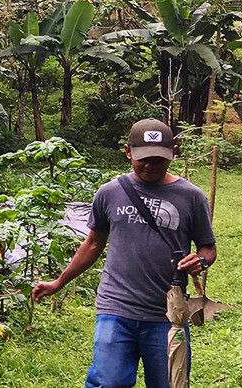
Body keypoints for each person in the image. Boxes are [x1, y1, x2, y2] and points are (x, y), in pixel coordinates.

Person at [32, 119, 216, 388]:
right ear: (128, 152)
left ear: (174, 153)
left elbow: (208, 248)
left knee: (170, 383)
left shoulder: (191, 196)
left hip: (167, 313)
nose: (150, 166)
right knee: (109, 382)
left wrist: (200, 260)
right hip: (116, 308)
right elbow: (94, 243)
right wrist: (59, 282)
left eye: (158, 159)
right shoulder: (110, 193)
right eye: (143, 159)